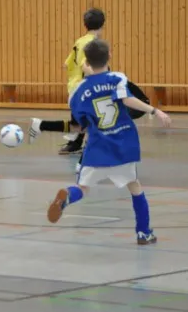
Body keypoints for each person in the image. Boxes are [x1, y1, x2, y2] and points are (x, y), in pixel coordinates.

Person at [46, 38, 171, 245]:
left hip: (97, 148)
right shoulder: (117, 78)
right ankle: (143, 232)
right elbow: (127, 99)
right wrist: (154, 111)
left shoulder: (78, 92)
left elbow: (80, 125)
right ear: (109, 56)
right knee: (135, 187)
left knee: (82, 188)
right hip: (122, 145)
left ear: (86, 62)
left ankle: (67, 197)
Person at [29, 8, 106, 153]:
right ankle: (41, 125)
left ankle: (76, 144)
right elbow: (84, 66)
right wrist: (103, 79)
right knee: (91, 122)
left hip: (73, 87)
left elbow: (66, 64)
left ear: (85, 24)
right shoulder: (94, 43)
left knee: (82, 123)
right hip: (83, 89)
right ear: (103, 24)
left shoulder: (80, 41)